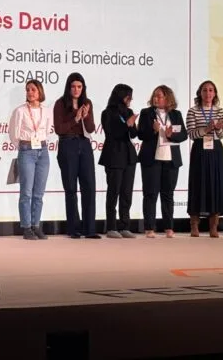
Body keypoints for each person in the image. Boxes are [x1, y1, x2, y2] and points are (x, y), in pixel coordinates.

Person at [53, 72, 100, 239]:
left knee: (89, 186)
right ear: (68, 87)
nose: (76, 90)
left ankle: (90, 228)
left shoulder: (87, 103)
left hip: (84, 144)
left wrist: (85, 117)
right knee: (71, 188)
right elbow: (59, 129)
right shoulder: (60, 103)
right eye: (73, 86)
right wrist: (75, 118)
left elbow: (91, 128)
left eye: (79, 87)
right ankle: (73, 228)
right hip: (68, 145)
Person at [137, 85, 188, 238]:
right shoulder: (146, 113)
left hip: (171, 159)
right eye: (155, 96)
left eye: (159, 96)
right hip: (151, 159)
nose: (156, 98)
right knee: (150, 194)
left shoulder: (176, 114)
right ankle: (149, 228)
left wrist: (171, 135)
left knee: (168, 194)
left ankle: (169, 228)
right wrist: (153, 130)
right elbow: (140, 135)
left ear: (167, 98)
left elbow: (183, 135)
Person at [8, 79, 51, 240]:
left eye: (33, 89)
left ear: (40, 91)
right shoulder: (20, 111)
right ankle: (26, 227)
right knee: (26, 192)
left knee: (39, 193)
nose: (30, 92)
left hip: (43, 151)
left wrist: (40, 143)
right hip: (26, 151)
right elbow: (13, 133)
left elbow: (48, 130)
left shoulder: (46, 111)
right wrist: (24, 147)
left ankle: (36, 225)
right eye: (27, 90)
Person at [186, 80, 223, 238]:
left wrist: (218, 129)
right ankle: (194, 225)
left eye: (211, 90)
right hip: (200, 150)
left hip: (216, 150)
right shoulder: (193, 111)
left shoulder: (219, 111)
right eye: (205, 90)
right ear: (200, 93)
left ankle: (213, 226)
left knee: (215, 184)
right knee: (198, 184)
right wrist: (207, 129)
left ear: (215, 93)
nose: (208, 93)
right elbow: (191, 134)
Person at [99, 84, 138, 239]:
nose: (130, 100)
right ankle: (111, 227)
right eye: (128, 96)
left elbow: (133, 134)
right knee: (113, 191)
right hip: (114, 155)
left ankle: (124, 226)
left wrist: (132, 125)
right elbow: (111, 133)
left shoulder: (128, 112)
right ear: (121, 96)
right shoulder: (107, 113)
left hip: (129, 156)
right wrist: (126, 125)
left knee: (126, 192)